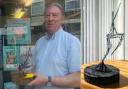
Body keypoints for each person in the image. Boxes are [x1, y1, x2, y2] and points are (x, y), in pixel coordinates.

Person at [28, 2, 80, 89]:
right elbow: (35, 71)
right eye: (47, 15)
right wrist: (26, 75)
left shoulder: (71, 42)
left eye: (54, 15)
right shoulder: (39, 42)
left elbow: (77, 79)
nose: (50, 18)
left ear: (62, 19)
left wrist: (48, 80)